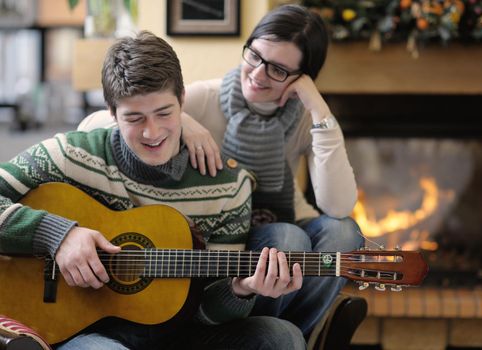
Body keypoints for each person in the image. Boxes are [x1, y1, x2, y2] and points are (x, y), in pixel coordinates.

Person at [0, 31, 307, 350]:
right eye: (134, 118)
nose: (152, 132)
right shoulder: (67, 155)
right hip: (90, 333)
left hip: (185, 333)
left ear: (183, 100)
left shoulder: (228, 186)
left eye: (164, 113)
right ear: (111, 112)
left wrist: (240, 290)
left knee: (281, 336)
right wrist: (57, 235)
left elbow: (205, 313)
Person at [79, 4, 365, 340]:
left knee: (343, 233)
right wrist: (184, 121)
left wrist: (317, 106)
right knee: (288, 239)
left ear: (303, 78)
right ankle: (248, 329)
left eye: (278, 70)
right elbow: (98, 124)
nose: (258, 74)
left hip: (281, 221)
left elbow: (338, 205)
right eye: (255, 56)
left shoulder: (304, 117)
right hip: (225, 237)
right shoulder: (205, 98)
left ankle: (298, 335)